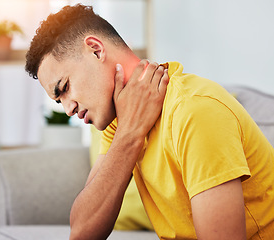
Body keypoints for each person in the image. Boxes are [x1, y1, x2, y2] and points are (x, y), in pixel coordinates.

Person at [25, 4, 274, 240]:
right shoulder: (120, 119)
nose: (68, 108)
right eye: (59, 101)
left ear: (96, 50)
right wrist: (130, 133)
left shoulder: (194, 110)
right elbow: (82, 232)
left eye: (64, 87)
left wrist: (130, 130)